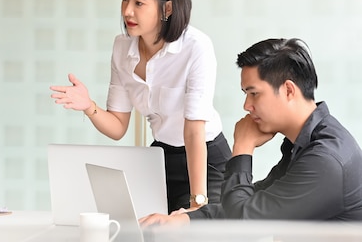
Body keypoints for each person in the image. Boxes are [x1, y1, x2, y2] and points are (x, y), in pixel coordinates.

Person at [50, 0, 231, 212]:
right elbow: (117, 127)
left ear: (167, 8)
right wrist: (88, 106)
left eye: (138, 3)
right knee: (135, 225)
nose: (127, 11)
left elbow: (193, 132)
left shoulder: (196, 47)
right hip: (162, 158)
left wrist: (197, 202)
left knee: (189, 231)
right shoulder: (122, 47)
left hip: (207, 160)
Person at [140, 38, 362, 225]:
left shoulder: (325, 160)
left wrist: (242, 148)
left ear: (288, 90)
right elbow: (256, 202)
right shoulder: (310, 141)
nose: (247, 106)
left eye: (254, 93)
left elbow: (244, 224)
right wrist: (187, 220)